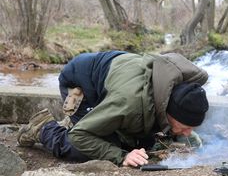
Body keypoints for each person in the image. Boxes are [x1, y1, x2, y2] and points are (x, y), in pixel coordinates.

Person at [17, 50, 209, 167]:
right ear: (168, 112)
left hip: (115, 80)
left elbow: (159, 119)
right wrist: (122, 156)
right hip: (80, 81)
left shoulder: (173, 91)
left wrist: (182, 133)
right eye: (185, 126)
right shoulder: (128, 103)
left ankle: (92, 120)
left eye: (192, 127)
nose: (188, 132)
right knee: (90, 147)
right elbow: (80, 136)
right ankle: (42, 128)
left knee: (144, 144)